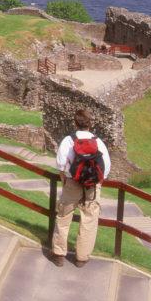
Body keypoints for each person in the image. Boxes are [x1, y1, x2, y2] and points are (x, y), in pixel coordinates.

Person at [51, 108, 111, 268]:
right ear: (90, 124)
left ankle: (59, 254)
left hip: (72, 183)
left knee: (64, 217)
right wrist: (97, 182)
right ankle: (81, 258)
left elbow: (61, 165)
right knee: (89, 220)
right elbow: (106, 168)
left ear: (75, 123)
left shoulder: (69, 141)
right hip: (92, 186)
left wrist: (65, 180)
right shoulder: (98, 142)